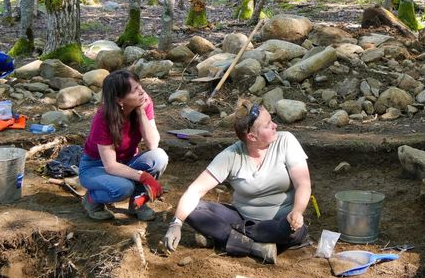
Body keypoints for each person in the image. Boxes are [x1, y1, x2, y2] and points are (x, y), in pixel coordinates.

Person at [162, 100, 311, 264]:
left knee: (290, 230)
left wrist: (297, 212)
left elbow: (303, 184)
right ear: (252, 136)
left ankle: (229, 239)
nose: (275, 125)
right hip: (242, 218)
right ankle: (255, 247)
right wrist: (175, 224)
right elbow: (194, 190)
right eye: (268, 124)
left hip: (281, 223)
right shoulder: (231, 156)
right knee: (193, 209)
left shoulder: (286, 141)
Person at [79, 70, 168, 221]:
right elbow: (111, 167)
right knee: (124, 188)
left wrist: (141, 112)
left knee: (159, 157)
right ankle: (92, 199)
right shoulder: (103, 118)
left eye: (140, 86)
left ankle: (137, 203)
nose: (142, 92)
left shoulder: (144, 103)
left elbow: (153, 144)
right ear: (120, 100)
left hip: (127, 161)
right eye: (135, 90)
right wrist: (144, 177)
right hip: (95, 167)